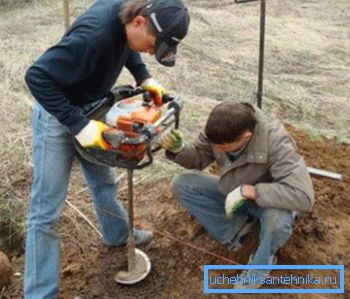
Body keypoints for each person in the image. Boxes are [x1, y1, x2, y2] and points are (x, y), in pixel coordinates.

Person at [24, 0, 190, 297]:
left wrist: (144, 77)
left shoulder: (129, 19)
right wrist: (78, 125)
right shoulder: (94, 35)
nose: (151, 52)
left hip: (92, 106)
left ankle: (117, 235)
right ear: (139, 22)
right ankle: (40, 293)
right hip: (56, 116)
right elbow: (36, 77)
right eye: (153, 45)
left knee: (104, 183)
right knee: (46, 211)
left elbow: (129, 47)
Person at [160, 101, 314, 289]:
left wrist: (251, 191)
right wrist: (179, 150)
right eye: (215, 145)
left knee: (277, 222)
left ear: (246, 137)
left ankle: (262, 264)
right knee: (183, 184)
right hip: (233, 190)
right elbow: (198, 159)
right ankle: (237, 232)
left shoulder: (276, 142)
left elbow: (303, 196)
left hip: (270, 202)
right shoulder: (222, 127)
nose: (217, 149)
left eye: (223, 147)